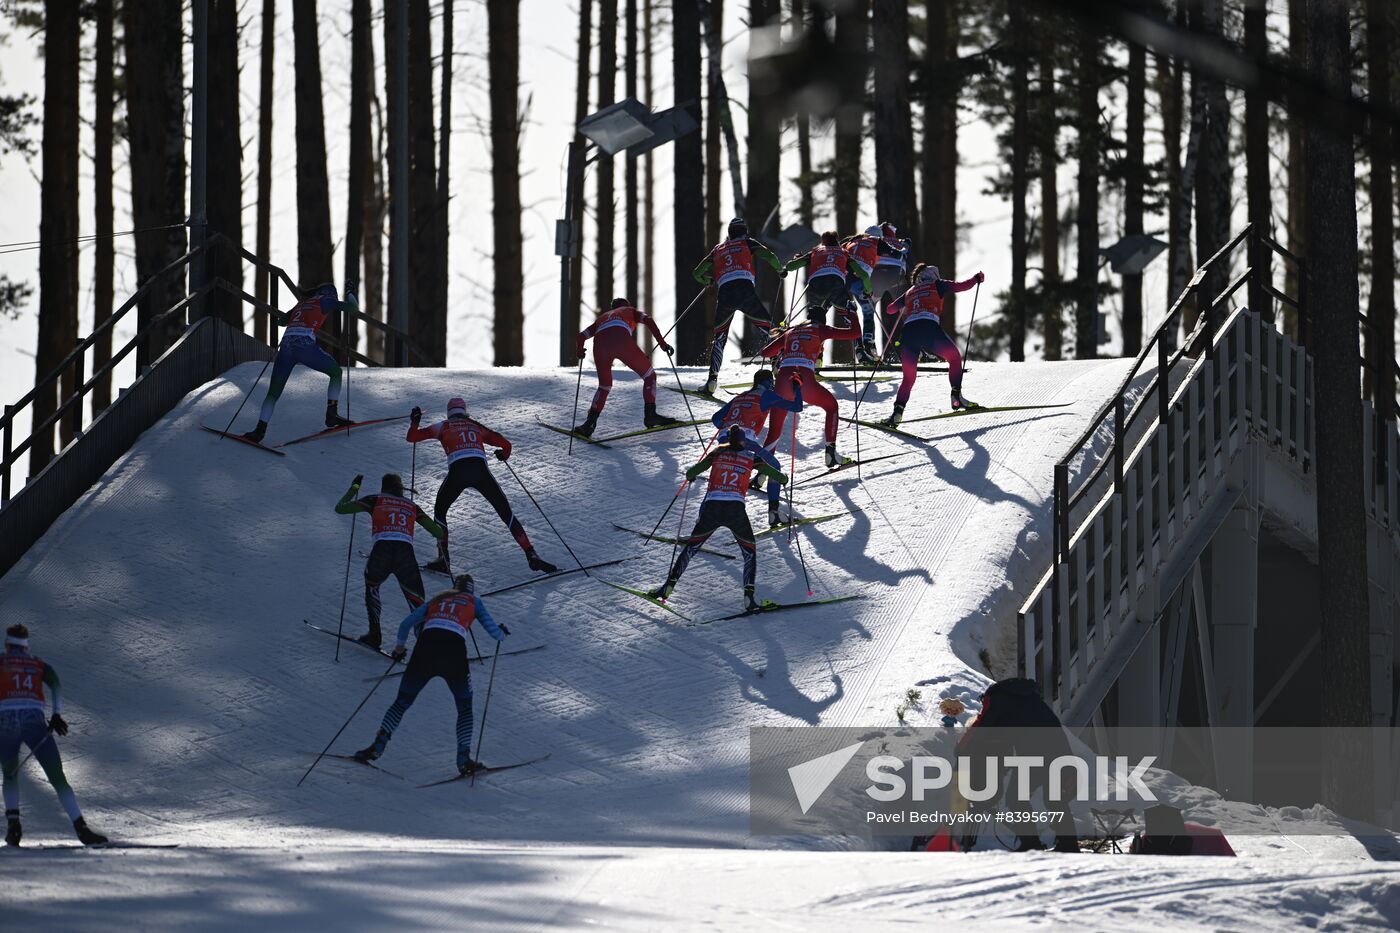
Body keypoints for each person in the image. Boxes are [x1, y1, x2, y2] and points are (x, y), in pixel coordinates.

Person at [354, 574, 509, 775]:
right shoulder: (473, 601)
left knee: (401, 702)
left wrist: (399, 649)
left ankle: (376, 748)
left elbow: (406, 623)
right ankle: (464, 761)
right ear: (470, 589)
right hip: (453, 652)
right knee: (464, 707)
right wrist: (503, 632)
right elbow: (495, 634)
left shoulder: (439, 598)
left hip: (425, 649)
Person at [407, 398, 559, 576]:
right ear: (464, 411)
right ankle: (531, 553)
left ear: (449, 413)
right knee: (506, 513)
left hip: (458, 472)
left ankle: (443, 559)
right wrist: (503, 455)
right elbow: (506, 444)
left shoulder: (443, 426)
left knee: (440, 511)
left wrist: (415, 421)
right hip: (481, 472)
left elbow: (412, 438)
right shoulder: (475, 426)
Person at [648, 427, 788, 609]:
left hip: (712, 508)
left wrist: (693, 476)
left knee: (691, 548)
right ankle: (749, 598)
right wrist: (784, 478)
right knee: (749, 553)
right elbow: (779, 477)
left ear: (728, 439)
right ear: (744, 441)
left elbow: (691, 473)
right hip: (735, 510)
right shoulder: (751, 456)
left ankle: (667, 587)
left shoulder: (718, 452)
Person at [2, 623, 106, 847]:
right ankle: (81, 828)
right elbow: (56, 684)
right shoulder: (38, 663)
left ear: (7, 643)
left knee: (10, 774)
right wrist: (56, 714)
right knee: (57, 776)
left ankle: (14, 826)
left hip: (7, 723)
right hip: (34, 721)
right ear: (26, 644)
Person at [956, 677, 1078, 853]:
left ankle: (1031, 844)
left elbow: (982, 726)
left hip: (1034, 753)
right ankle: (1069, 846)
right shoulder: (1029, 698)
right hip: (1058, 748)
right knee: (1054, 799)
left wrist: (962, 749)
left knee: (1016, 798)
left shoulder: (997, 698)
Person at [335, 473, 445, 650]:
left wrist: (354, 489)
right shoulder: (411, 505)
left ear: (383, 487)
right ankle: (426, 646)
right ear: (400, 488)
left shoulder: (375, 499)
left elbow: (340, 508)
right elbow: (438, 532)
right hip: (405, 556)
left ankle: (374, 635)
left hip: (381, 553)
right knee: (416, 600)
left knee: (372, 588)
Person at [242, 283, 358, 443]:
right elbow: (353, 308)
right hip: (304, 346)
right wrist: (350, 291)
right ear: (330, 294)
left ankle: (259, 431)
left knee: (273, 393)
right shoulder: (326, 300)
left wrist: (298, 313)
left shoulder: (302, 303)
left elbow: (281, 321)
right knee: (336, 372)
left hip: (286, 347)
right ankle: (331, 414)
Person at [692, 218, 790, 395]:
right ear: (744, 232)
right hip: (745, 291)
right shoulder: (747, 242)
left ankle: (712, 381)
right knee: (767, 329)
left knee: (720, 338)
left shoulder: (718, 249)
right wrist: (780, 270)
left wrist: (708, 280)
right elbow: (769, 256)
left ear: (729, 233)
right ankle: (778, 369)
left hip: (725, 293)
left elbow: (697, 272)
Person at [880, 263, 985, 426]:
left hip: (908, 333)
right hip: (928, 328)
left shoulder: (910, 291)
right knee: (954, 358)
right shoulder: (938, 284)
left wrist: (907, 300)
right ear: (934, 275)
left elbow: (890, 309)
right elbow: (962, 286)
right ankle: (956, 397)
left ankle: (896, 414)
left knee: (908, 378)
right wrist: (976, 278)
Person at [757, 312, 862, 468]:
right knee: (831, 406)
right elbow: (855, 333)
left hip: (782, 379)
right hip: (803, 377)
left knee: (774, 430)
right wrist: (852, 315)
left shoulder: (792, 330)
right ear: (821, 321)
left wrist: (785, 345)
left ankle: (762, 473)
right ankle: (831, 454)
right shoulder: (820, 329)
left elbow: (765, 353)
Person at [575, 298, 681, 437]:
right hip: (621, 339)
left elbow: (581, 336)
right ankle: (650, 415)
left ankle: (589, 425)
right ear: (627, 305)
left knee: (604, 386)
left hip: (600, 344)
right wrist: (662, 344)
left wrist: (580, 351)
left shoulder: (602, 318)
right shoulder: (630, 311)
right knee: (650, 376)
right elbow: (648, 320)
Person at [842, 226, 908, 363]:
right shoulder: (876, 241)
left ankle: (818, 354)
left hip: (841, 279)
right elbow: (898, 254)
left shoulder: (851, 241)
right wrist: (905, 247)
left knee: (847, 312)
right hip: (859, 281)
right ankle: (867, 348)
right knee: (868, 311)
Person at [786, 231, 871, 328]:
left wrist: (796, 259)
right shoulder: (843, 252)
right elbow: (863, 275)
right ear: (837, 240)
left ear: (823, 242)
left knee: (815, 317)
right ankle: (858, 340)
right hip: (835, 283)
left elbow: (790, 267)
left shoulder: (815, 251)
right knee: (849, 312)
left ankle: (813, 336)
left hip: (816, 285)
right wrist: (868, 291)